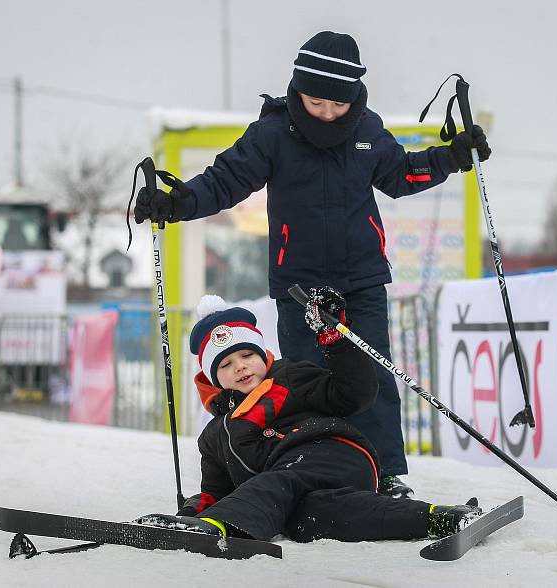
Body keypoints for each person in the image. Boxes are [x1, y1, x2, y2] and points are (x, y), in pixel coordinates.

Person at [134, 31, 491, 497]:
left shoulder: (367, 131)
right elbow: (225, 181)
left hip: (361, 277)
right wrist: (179, 202)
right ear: (298, 89)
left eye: (337, 105)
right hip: (299, 283)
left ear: (354, 99)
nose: (326, 113)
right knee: (304, 383)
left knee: (373, 379)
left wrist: (450, 157)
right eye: (315, 101)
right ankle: (310, 471)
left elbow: (401, 174)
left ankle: (384, 476)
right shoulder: (272, 134)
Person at [161, 290, 480, 543]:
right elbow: (215, 492)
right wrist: (188, 514)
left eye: (247, 355)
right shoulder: (216, 436)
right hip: (296, 490)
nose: (241, 367)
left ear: (262, 354)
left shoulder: (290, 377)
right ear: (214, 378)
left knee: (277, 481)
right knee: (310, 519)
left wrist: (335, 341)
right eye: (226, 365)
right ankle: (441, 518)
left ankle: (220, 528)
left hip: (337, 455)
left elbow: (354, 392)